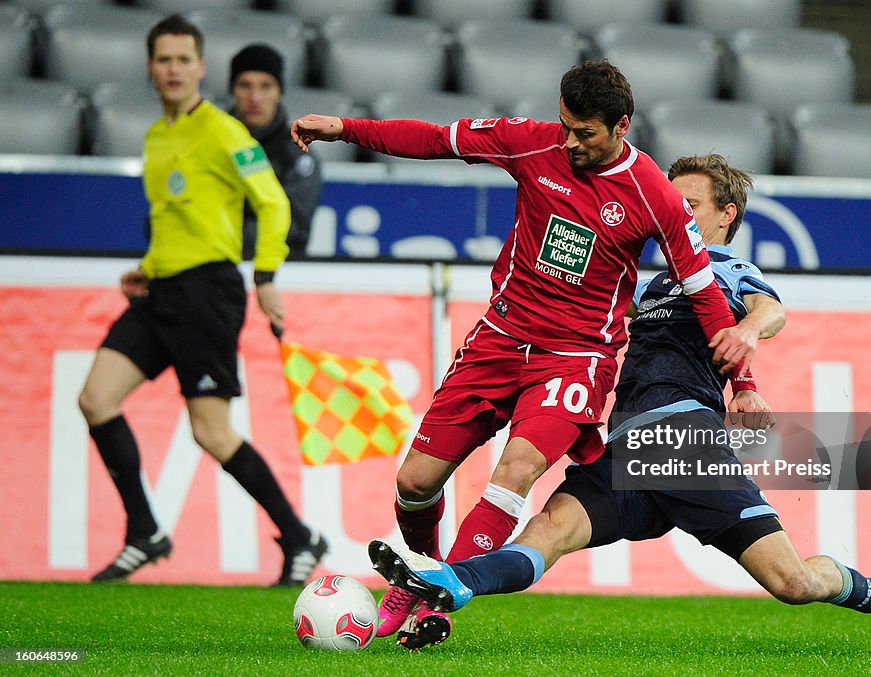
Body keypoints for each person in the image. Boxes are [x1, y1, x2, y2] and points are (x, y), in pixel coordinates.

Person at [368, 153, 871, 645]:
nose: (672, 215)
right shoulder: (654, 280)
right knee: (546, 532)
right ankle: (445, 582)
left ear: (727, 215)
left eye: (690, 206)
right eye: (670, 205)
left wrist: (750, 335)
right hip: (628, 448)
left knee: (795, 583)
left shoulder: (725, 267)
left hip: (682, 444)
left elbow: (767, 309)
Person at [291, 61, 759, 643]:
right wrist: (346, 128)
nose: (570, 142)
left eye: (584, 133)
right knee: (414, 483)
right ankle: (419, 580)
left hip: (576, 358)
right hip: (500, 340)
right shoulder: (531, 145)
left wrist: (743, 385)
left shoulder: (653, 194)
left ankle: (439, 600)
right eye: (565, 126)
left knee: (516, 470)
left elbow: (704, 293)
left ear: (621, 126)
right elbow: (437, 140)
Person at [78, 14, 327, 586]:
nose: (172, 69)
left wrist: (264, 275)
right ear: (151, 67)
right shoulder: (157, 135)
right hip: (163, 290)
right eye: (163, 59)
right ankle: (144, 532)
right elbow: (177, 218)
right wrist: (148, 269)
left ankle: (300, 538)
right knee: (96, 399)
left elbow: (273, 203)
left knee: (211, 432)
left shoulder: (223, 131)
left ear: (199, 67)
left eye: (182, 59)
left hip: (208, 294)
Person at [229, 43, 322, 259]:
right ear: (232, 90)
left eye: (266, 86)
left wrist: (220, 237)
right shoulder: (210, 144)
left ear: (279, 92)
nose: (255, 97)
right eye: (245, 85)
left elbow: (293, 230)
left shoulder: (298, 155)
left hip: (280, 271)